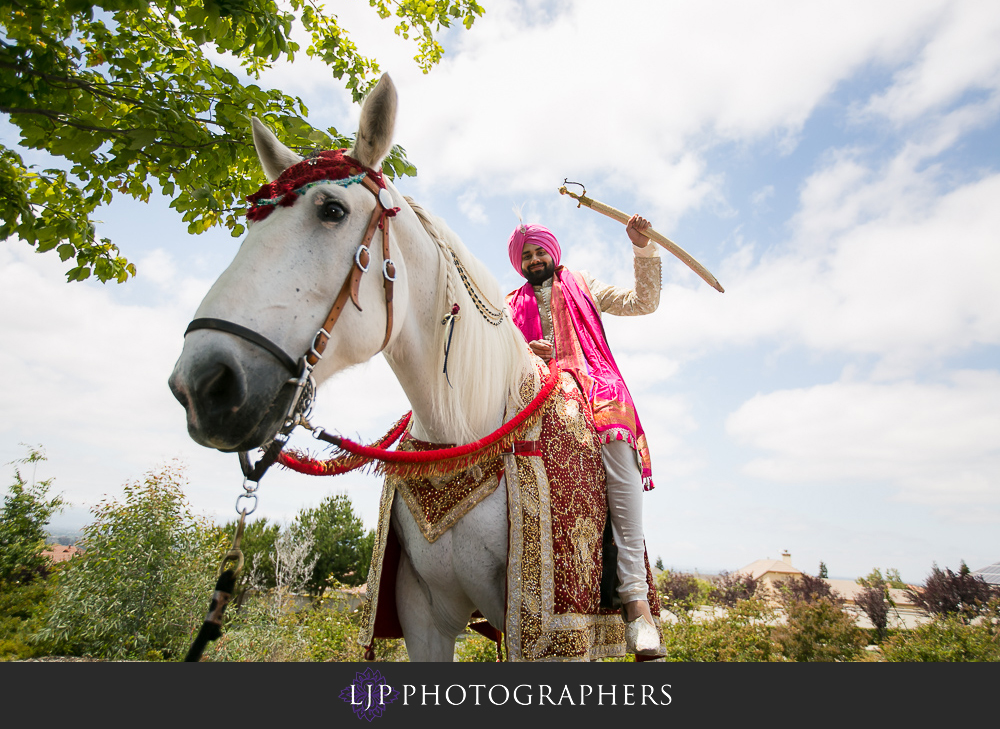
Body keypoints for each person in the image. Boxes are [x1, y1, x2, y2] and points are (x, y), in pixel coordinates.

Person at [505, 215, 662, 655]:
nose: (535, 260)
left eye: (540, 252)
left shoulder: (583, 283)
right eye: (527, 255)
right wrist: (525, 349)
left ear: (552, 253)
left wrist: (642, 249)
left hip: (594, 383)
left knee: (617, 432)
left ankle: (637, 606)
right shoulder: (506, 305)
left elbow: (643, 302)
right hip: (535, 387)